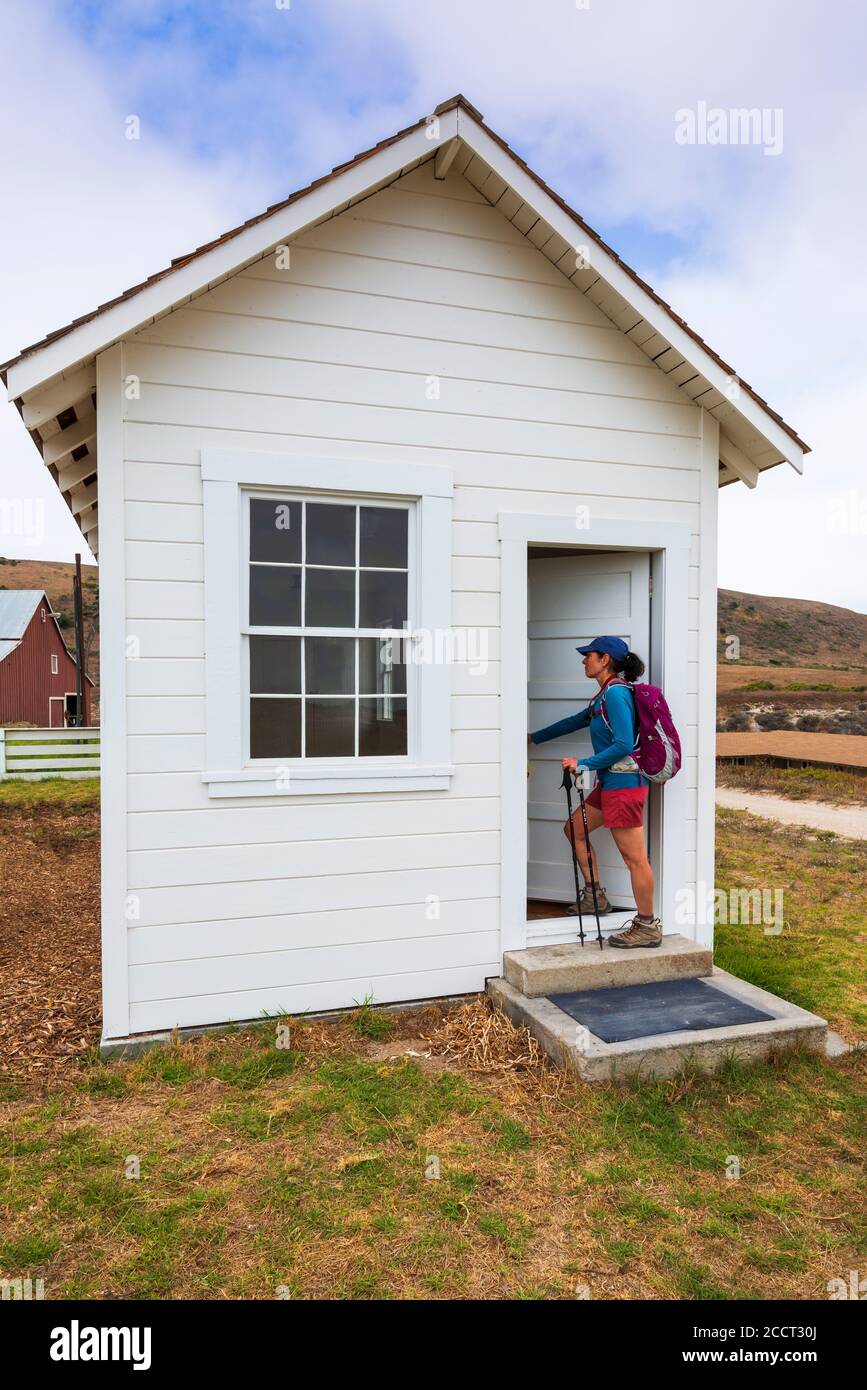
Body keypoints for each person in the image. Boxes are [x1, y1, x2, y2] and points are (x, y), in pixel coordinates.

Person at [527, 636, 661, 948]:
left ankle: (646, 925)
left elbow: (625, 744)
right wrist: (533, 738)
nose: (583, 660)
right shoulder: (601, 697)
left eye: (589, 655)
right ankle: (595, 897)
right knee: (574, 829)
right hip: (610, 785)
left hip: (625, 786)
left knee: (634, 858)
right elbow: (574, 722)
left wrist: (583, 763)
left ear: (605, 660)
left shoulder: (615, 695)